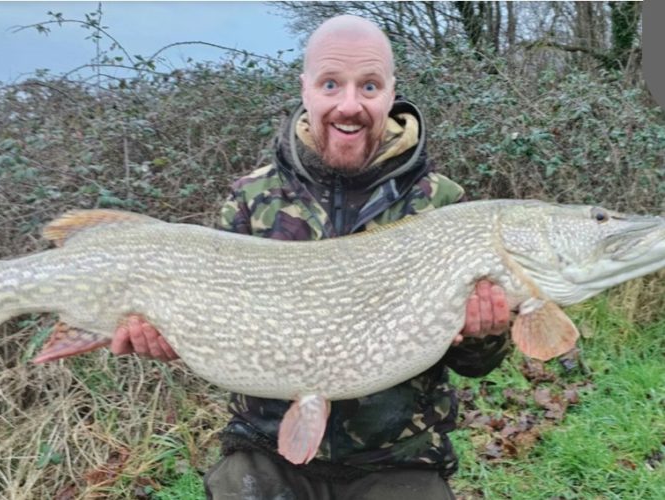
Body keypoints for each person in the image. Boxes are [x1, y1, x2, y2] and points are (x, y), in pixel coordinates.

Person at [111, 15, 511, 500]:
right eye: (330, 83)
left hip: (399, 459)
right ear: (305, 89)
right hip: (264, 450)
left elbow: (474, 363)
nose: (349, 104)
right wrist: (170, 336)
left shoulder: (441, 205)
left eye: (369, 85)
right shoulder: (252, 199)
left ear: (390, 92)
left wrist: (486, 335)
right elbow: (210, 327)